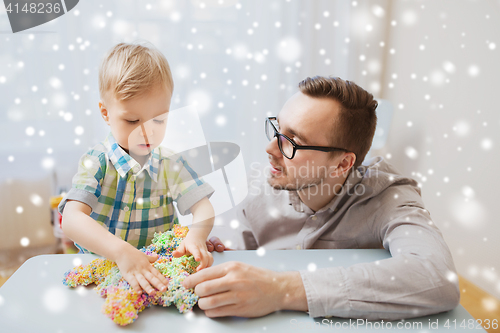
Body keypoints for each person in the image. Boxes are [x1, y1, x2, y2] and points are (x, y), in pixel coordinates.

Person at [185, 76, 460, 320]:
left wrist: (281, 289)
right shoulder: (264, 184)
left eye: (292, 142)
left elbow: (437, 277)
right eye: (277, 129)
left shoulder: (390, 196)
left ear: (342, 164)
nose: (270, 148)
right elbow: (234, 248)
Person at [58, 42, 216, 296]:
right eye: (132, 120)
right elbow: (72, 219)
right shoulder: (96, 161)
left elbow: (203, 207)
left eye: (159, 119)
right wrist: (122, 253)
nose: (147, 131)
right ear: (105, 113)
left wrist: (197, 235)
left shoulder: (171, 165)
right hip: (102, 271)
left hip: (157, 274)